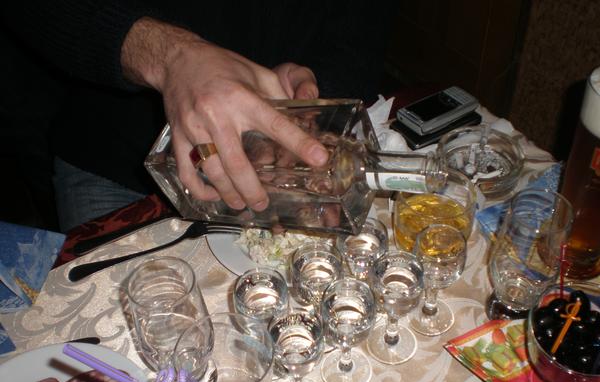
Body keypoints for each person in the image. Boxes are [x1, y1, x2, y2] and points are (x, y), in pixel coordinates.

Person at [1, 1, 393, 231]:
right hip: (116, 164)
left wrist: (305, 100)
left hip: (275, 162)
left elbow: (360, 30)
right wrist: (170, 55)